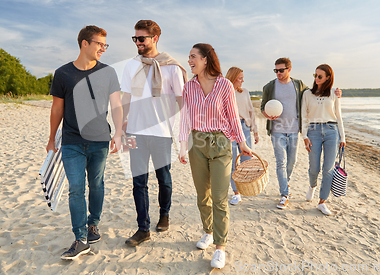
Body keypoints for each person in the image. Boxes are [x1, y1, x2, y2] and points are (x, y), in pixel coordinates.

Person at [46, 25, 123, 260]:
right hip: (72, 141)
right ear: (84, 44)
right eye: (99, 44)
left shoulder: (108, 72)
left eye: (104, 45)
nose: (103, 48)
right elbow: (57, 108)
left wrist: (118, 133)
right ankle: (80, 239)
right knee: (76, 189)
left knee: (97, 184)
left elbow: (117, 105)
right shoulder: (63, 74)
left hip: (100, 141)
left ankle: (93, 225)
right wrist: (51, 137)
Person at [179, 43, 252, 269]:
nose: (189, 60)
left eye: (193, 57)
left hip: (221, 143)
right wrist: (182, 145)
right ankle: (208, 232)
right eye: (189, 57)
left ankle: (220, 246)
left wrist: (242, 142)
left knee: (220, 197)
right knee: (203, 195)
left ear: (206, 59)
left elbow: (233, 117)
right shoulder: (189, 87)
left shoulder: (224, 85)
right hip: (197, 144)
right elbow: (185, 117)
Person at [121, 20, 187, 246]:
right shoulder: (131, 66)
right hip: (136, 131)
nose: (137, 42)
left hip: (161, 133)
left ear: (155, 38)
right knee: (138, 182)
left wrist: (167, 118)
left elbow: (181, 100)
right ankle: (142, 228)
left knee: (163, 178)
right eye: (135, 38)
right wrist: (122, 127)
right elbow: (126, 97)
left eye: (141, 38)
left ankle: (165, 214)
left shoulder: (171, 67)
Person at [261, 58, 340, 210]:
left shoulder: (299, 85)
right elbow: (263, 107)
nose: (278, 73)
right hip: (277, 130)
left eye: (281, 70)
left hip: (293, 130)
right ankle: (284, 194)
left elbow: (316, 93)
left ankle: (286, 182)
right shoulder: (269, 86)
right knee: (281, 162)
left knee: (292, 162)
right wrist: (266, 114)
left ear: (289, 69)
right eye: (275, 70)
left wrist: (336, 93)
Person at [301, 64, 346, 216]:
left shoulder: (334, 93)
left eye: (320, 76)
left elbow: (338, 116)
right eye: (315, 75)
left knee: (328, 169)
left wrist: (343, 137)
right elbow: (304, 116)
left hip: (331, 131)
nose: (316, 78)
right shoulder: (307, 94)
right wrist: (305, 136)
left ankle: (322, 202)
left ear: (328, 78)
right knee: (314, 168)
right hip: (313, 131)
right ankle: (312, 185)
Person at [224, 67, 259, 205]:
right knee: (233, 163)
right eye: (240, 78)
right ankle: (236, 193)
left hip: (244, 127)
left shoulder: (244, 92)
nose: (243, 80)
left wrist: (255, 131)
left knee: (246, 161)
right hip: (229, 129)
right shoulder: (224, 92)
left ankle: (245, 188)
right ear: (232, 78)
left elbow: (251, 112)